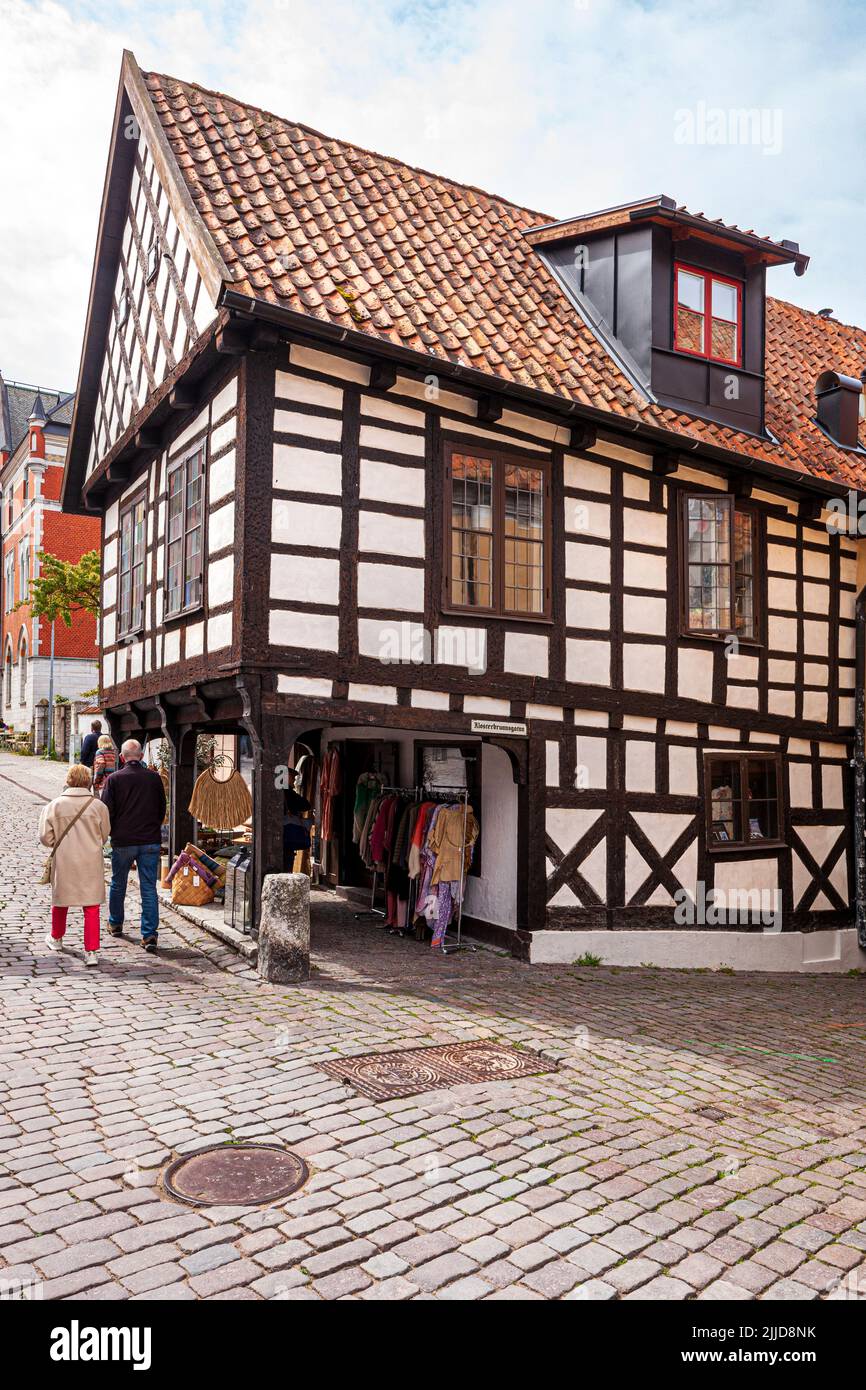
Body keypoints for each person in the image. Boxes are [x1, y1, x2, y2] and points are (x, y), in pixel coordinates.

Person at [38, 763, 111, 966]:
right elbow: (104, 835)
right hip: (90, 860)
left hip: (64, 860)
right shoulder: (98, 806)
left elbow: (45, 837)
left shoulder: (54, 806)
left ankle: (56, 937)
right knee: (91, 906)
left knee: (61, 901)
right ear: (87, 781)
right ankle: (91, 951)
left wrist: (59, 844)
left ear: (68, 780)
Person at [101, 739, 166, 953]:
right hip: (149, 840)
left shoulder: (114, 779)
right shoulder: (154, 778)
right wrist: (151, 828)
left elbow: (105, 811)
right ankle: (149, 935)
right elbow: (161, 810)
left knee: (118, 883)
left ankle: (115, 923)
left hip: (123, 840)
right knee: (148, 887)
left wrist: (111, 832)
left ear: (122, 757)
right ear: (141, 756)